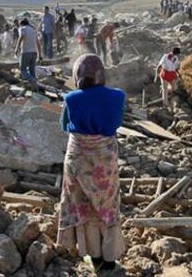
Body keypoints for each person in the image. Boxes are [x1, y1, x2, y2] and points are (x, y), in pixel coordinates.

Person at [57, 54, 126, 275]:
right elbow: (116, 123)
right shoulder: (117, 97)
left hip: (78, 162)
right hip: (104, 162)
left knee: (83, 206)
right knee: (107, 206)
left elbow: (64, 125)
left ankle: (94, 257)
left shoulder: (71, 99)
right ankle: (109, 260)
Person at [14, 18, 42, 90]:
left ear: (22, 24)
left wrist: (16, 48)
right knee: (32, 70)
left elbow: (21, 37)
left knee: (23, 69)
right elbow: (38, 43)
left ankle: (32, 80)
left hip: (26, 51)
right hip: (34, 52)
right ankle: (35, 88)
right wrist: (40, 55)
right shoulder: (33, 30)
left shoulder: (22, 28)